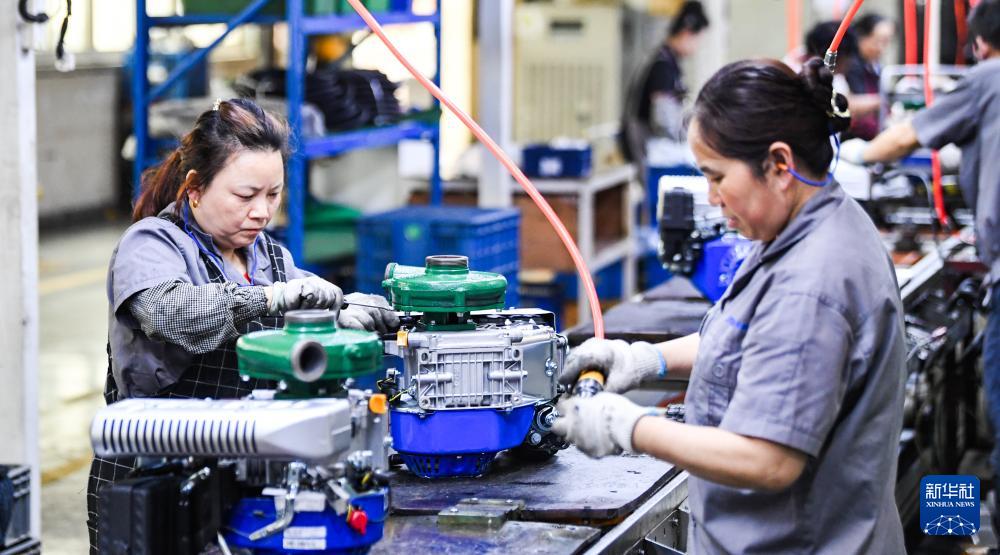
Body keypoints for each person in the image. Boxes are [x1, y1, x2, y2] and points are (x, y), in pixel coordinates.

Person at [554, 58, 906, 553]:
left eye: (717, 176)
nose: (713, 197)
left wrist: (630, 427)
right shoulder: (804, 223)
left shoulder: (813, 281)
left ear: (779, 164)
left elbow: (768, 460)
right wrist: (643, 359)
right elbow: (753, 338)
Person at [85, 98, 398, 551]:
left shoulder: (266, 255)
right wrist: (269, 299)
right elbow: (168, 312)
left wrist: (346, 311)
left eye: (273, 195)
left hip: (239, 475)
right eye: (245, 196)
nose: (262, 212)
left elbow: (305, 298)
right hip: (154, 480)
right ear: (195, 188)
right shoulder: (152, 244)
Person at [841, 0, 1000, 508]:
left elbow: (906, 136)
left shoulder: (988, 77)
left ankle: (957, 519)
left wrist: (852, 155)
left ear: (980, 44)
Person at [620, 1, 709, 166]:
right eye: (697, 40)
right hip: (644, 140)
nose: (697, 47)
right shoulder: (663, 66)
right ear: (686, 33)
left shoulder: (667, 61)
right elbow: (663, 117)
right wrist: (685, 138)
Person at [846, 13, 895, 139]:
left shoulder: (875, 66)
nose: (881, 48)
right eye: (878, 41)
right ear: (862, 37)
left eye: (886, 42)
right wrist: (881, 101)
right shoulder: (848, 65)